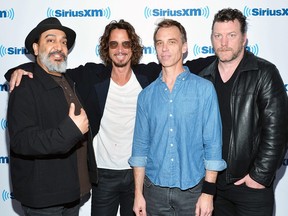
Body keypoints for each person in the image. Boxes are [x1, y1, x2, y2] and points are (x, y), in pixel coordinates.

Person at [6, 20, 215, 216]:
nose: (120, 49)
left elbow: (190, 64)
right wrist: (20, 70)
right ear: (107, 49)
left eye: (125, 44)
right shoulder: (91, 75)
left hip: (136, 175)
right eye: (114, 44)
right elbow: (52, 67)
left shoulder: (148, 76)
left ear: (133, 48)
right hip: (103, 175)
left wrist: (227, 54)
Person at [128, 19, 227, 216]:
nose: (164, 48)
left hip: (193, 192)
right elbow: (140, 149)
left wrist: (208, 193)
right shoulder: (146, 96)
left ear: (184, 47)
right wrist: (138, 194)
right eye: (159, 43)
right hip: (154, 191)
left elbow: (213, 145)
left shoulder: (204, 90)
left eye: (171, 42)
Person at [198, 8, 288, 216]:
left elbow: (277, 131)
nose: (224, 42)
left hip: (251, 188)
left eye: (231, 35)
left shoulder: (264, 73)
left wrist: (258, 177)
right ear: (211, 38)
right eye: (218, 35)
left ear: (244, 39)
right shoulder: (204, 78)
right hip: (214, 187)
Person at [7, 17, 94, 216]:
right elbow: (21, 141)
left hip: (73, 193)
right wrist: (70, 131)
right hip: (45, 199)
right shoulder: (25, 85)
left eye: (63, 42)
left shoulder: (69, 80)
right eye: (51, 40)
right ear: (36, 49)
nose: (59, 46)